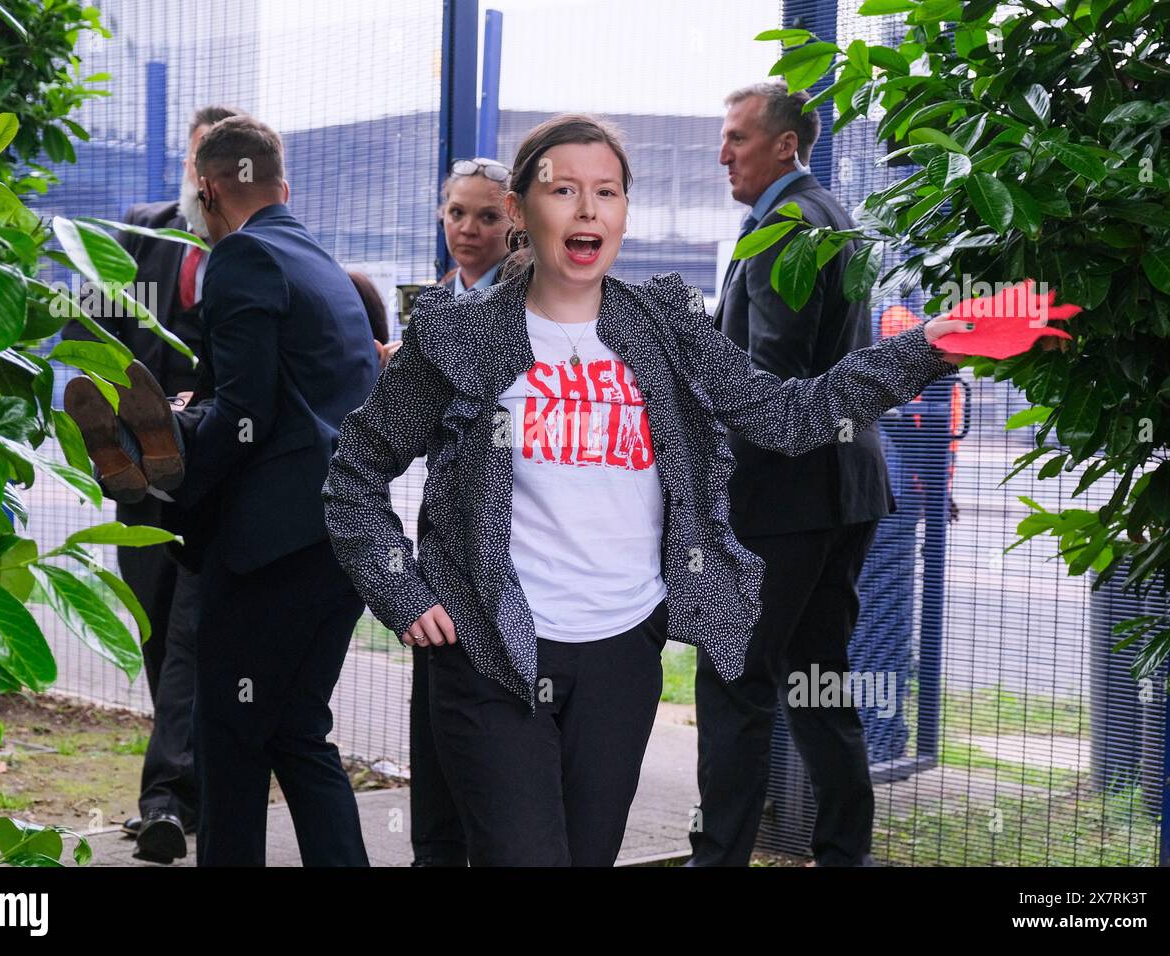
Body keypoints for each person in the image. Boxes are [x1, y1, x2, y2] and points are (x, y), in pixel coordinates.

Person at [322, 113, 976, 866]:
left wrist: (931, 346)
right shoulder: (460, 338)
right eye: (563, 189)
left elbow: (791, 414)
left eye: (608, 191)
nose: (588, 208)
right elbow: (357, 471)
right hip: (491, 654)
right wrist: (400, 590)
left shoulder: (663, 332)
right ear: (523, 210)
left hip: (622, 655)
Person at [687, 80, 900, 867]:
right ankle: (845, 854)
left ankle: (719, 861)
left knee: (734, 678)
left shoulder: (783, 226)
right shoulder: (833, 215)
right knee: (817, 681)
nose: (722, 153)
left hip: (785, 495)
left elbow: (770, 380)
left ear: (784, 144)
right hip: (845, 487)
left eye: (737, 137)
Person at [174, 115, 378, 866]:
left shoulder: (242, 258)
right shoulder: (316, 259)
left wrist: (178, 458)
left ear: (210, 185)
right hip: (342, 543)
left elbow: (244, 412)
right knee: (294, 731)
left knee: (229, 740)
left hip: (273, 550)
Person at [60, 104, 244, 864]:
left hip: (218, 475)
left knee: (193, 641)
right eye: (201, 161)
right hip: (137, 476)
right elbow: (89, 326)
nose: (207, 182)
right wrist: (111, 400)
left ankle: (167, 798)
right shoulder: (140, 229)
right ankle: (185, 792)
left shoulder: (258, 251)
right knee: (157, 629)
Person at [408, 157, 512, 868]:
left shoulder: (538, 304)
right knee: (435, 736)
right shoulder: (438, 305)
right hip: (442, 552)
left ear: (514, 222)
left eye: (485, 215)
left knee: (495, 749)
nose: (467, 229)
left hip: (511, 561)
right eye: (456, 213)